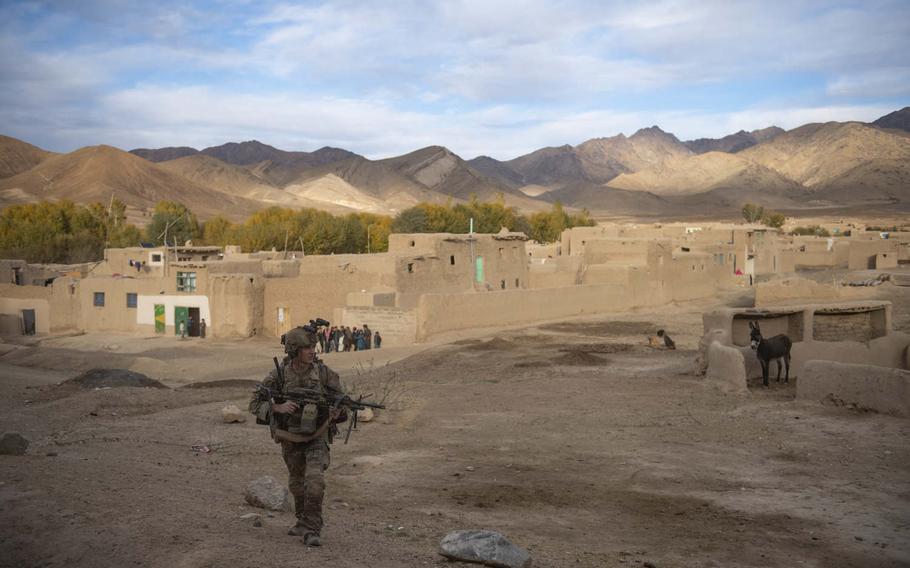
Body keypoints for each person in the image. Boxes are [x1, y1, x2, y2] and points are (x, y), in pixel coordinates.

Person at [248, 327, 346, 547]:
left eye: (313, 347)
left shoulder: (323, 373)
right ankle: (302, 521)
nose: (312, 351)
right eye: (307, 348)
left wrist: (337, 412)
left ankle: (312, 529)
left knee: (315, 482)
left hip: (316, 437)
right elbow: (254, 404)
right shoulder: (279, 375)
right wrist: (277, 408)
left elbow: (342, 402)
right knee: (296, 484)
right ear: (294, 350)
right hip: (290, 438)